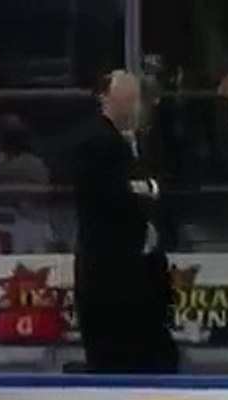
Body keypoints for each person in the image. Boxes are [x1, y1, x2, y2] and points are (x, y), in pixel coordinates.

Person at [73, 70, 177, 374]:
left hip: (144, 277)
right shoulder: (95, 142)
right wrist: (145, 191)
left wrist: (149, 190)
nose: (133, 107)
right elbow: (112, 198)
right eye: (126, 99)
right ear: (104, 97)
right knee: (116, 360)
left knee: (158, 357)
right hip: (110, 278)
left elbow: (163, 186)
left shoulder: (144, 144)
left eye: (136, 100)